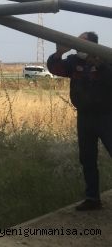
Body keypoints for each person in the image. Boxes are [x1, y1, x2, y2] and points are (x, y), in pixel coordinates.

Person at [47, 31, 112, 211]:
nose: (77, 45)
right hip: (84, 117)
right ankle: (92, 199)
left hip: (107, 116)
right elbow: (55, 68)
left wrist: (100, 66)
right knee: (87, 158)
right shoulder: (74, 62)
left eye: (82, 42)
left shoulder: (106, 59)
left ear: (92, 45)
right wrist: (59, 53)